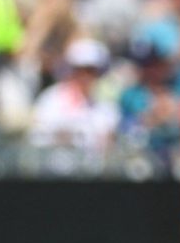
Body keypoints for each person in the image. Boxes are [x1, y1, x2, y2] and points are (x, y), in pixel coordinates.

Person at [27, 36, 120, 170]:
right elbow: (36, 138)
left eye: (91, 71)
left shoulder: (105, 106)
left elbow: (107, 145)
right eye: (80, 70)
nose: (85, 76)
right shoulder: (50, 99)